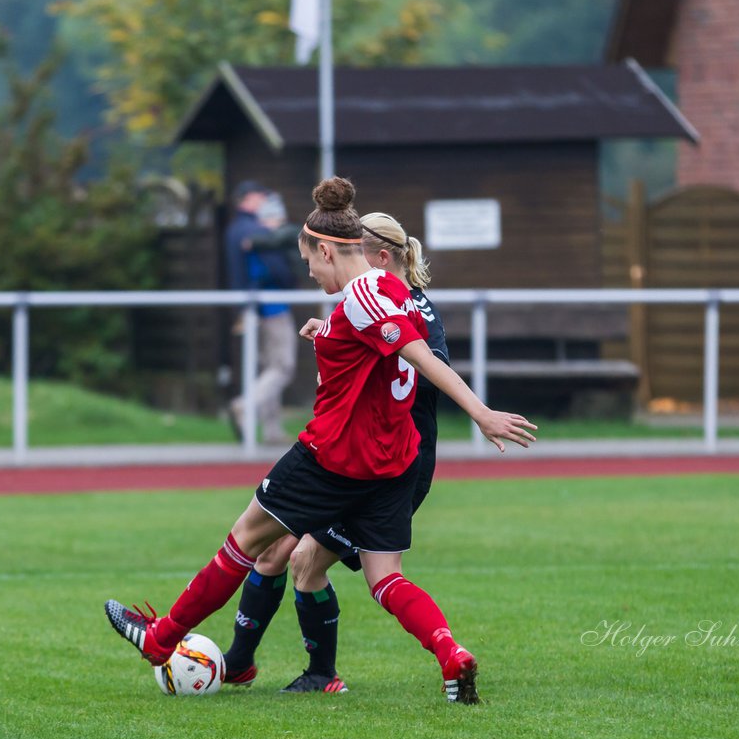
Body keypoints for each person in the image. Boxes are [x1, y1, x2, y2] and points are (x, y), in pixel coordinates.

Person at [106, 177, 537, 705]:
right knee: (385, 579)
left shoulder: (359, 296)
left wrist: (481, 413)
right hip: (391, 465)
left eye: (308, 259)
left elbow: (419, 357)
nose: (308, 271)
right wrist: (328, 333)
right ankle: (450, 653)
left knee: (243, 541)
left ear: (327, 250)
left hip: (332, 459)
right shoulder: (391, 288)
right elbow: (376, 342)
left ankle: (160, 639)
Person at [220, 210, 448, 695]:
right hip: (358, 455)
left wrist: (478, 410)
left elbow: (418, 368)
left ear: (380, 257)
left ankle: (318, 674)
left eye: (355, 252)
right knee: (278, 551)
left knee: (302, 559)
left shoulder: (405, 308)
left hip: (385, 464)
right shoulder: (375, 300)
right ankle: (242, 662)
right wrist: (331, 336)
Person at [224, 181, 298, 444]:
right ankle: (246, 405)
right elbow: (275, 269)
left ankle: (272, 430)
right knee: (283, 367)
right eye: (260, 196)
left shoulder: (236, 229)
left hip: (254, 308)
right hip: (271, 306)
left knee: (270, 367)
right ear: (247, 199)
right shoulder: (254, 229)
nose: (264, 201)